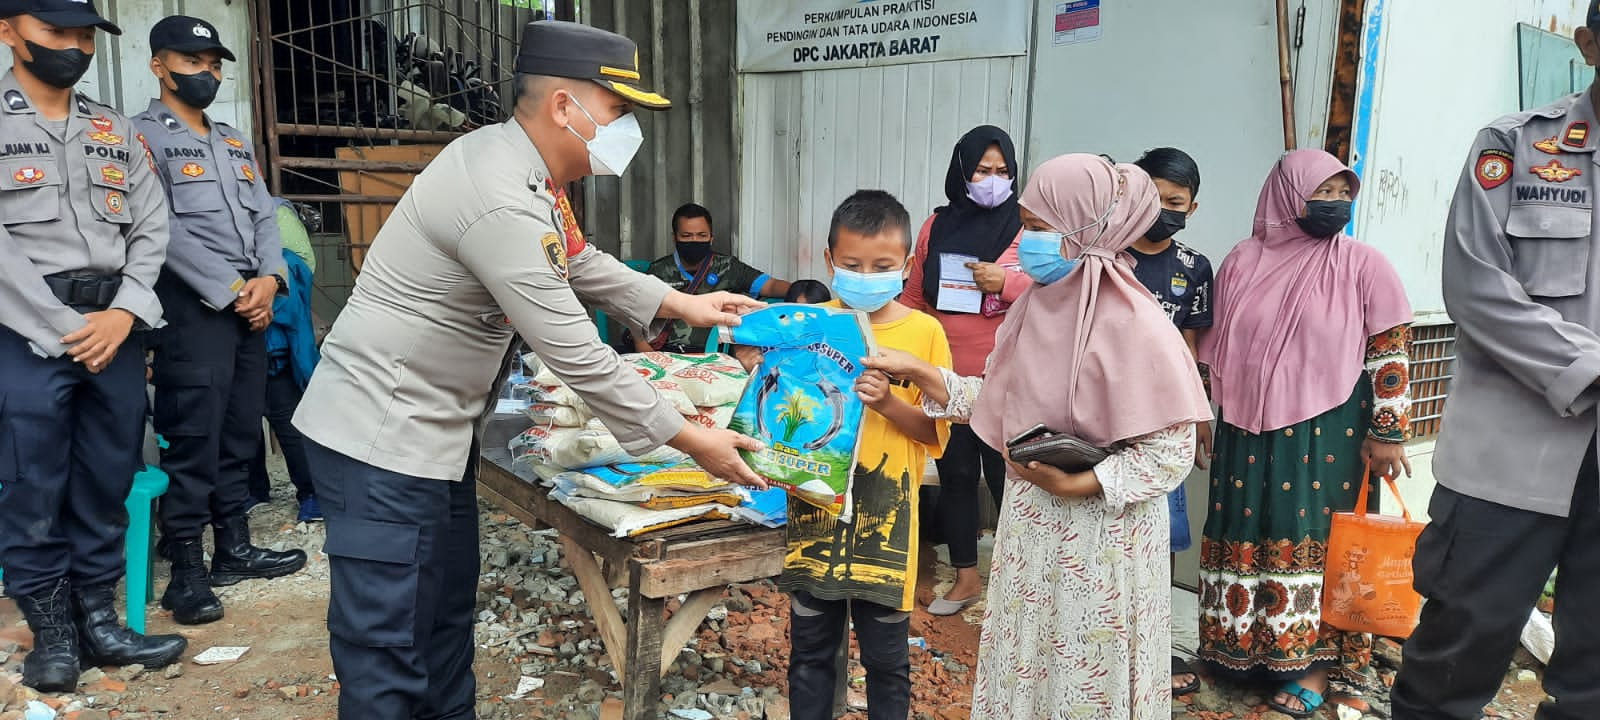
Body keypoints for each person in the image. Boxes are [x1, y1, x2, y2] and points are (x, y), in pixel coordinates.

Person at [290, 21, 767, 718]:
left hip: (432, 441)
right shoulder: (499, 193)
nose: (625, 130)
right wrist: (694, 441)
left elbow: (575, 260)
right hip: (381, 443)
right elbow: (577, 352)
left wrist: (681, 303)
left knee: (445, 621)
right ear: (564, 107)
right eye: (618, 111)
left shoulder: (526, 173)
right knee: (390, 648)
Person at [864, 154, 1212, 719]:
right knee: (1029, 663)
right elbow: (1004, 402)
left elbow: (1170, 450)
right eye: (1027, 224)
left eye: (1039, 227)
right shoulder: (1035, 307)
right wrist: (928, 376)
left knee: (1086, 674)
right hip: (1030, 526)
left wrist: (1083, 483)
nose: (1025, 241)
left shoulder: (1139, 325)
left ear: (1087, 232)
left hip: (1103, 541)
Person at [1391, 9, 1600, 718]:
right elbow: (1477, 287)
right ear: (1589, 44)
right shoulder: (1515, 148)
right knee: (1450, 666)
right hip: (1508, 466)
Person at [0, 0, 187, 691]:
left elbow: (151, 224)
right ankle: (52, 636)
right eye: (57, 33)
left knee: (107, 478)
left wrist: (125, 312)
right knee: (32, 483)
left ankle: (99, 622)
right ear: (8, 30)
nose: (74, 47)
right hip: (25, 332)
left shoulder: (112, 126)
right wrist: (61, 326)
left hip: (114, 327)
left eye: (85, 36)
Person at [1195, 149, 1413, 718]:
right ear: (1287, 195)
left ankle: (1316, 663)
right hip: (1244, 427)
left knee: (1316, 540)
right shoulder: (1241, 260)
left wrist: (1388, 430)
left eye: (1345, 194)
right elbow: (1208, 346)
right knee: (1248, 526)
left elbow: (1389, 353)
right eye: (1324, 193)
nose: (1337, 205)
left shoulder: (1363, 264)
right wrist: (1197, 411)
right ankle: (1245, 653)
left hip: (1328, 431)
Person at [133, 14, 307, 627]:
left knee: (239, 431)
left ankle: (233, 549)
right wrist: (235, 290)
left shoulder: (233, 138)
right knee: (194, 435)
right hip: (192, 308)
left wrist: (269, 280)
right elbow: (161, 228)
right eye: (190, 63)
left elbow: (265, 215)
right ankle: (185, 570)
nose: (205, 73)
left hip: (249, 304)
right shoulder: (138, 137)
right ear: (159, 66)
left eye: (212, 65)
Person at [783, 189, 952, 720]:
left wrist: (886, 403)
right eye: (852, 264)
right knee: (810, 651)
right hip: (813, 510)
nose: (865, 274)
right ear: (830, 260)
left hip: (889, 517)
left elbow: (932, 432)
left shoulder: (924, 333)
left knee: (886, 659)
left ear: (905, 265)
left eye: (882, 265)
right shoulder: (808, 327)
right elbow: (786, 418)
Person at [899, 125, 1029, 615]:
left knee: (1007, 478)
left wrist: (1007, 283)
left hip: (1006, 379)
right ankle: (966, 579)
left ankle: (1020, 587)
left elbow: (1055, 294)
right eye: (982, 170)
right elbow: (914, 295)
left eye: (1002, 172)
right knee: (955, 476)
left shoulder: (1027, 227)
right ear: (962, 172)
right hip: (944, 377)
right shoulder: (937, 226)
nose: (993, 180)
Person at [1130, 146, 1215, 694]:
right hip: (1105, 420)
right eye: (1154, 198)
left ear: (1193, 207)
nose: (1163, 209)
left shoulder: (1193, 268)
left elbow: (1190, 348)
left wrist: (1198, 413)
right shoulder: (1105, 257)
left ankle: (1155, 650)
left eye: (1175, 202)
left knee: (1161, 535)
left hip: (1165, 423)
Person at [245, 198, 322, 523]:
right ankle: (252, 491)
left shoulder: (275, 211)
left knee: (287, 421)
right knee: (242, 423)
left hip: (274, 336)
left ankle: (311, 492)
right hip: (239, 332)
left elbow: (301, 264)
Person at [633, 202, 791, 353]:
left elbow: (770, 285)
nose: (694, 241)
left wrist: (801, 289)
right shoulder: (659, 270)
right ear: (674, 238)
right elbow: (636, 317)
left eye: (702, 235)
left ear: (711, 238)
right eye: (686, 236)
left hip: (714, 355)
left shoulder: (728, 267)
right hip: (666, 354)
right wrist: (648, 355)